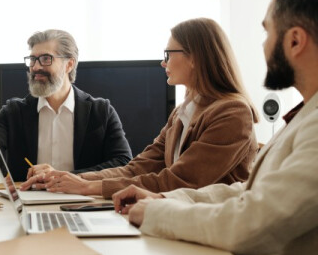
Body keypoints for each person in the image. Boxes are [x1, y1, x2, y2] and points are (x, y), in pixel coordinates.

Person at [112, 0, 318, 255]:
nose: (263, 45)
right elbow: (248, 193)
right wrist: (166, 201)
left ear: (295, 41)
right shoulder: (315, 111)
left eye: (267, 32)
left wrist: (157, 213)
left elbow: (255, 222)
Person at [22, 18, 259, 199]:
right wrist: (71, 179)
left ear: (195, 57)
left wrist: (89, 186)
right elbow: (137, 168)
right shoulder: (181, 114)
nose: (163, 62)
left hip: (210, 230)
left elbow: (180, 180)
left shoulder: (233, 113)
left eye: (169, 54)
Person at [0, 29, 132, 181]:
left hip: (85, 203)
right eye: (32, 59)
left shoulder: (101, 111)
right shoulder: (14, 111)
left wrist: (66, 177)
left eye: (45, 59)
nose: (36, 67)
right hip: (30, 202)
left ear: (69, 64)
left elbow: (123, 163)